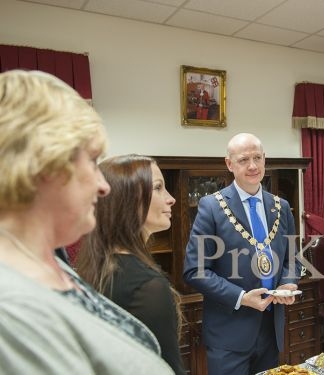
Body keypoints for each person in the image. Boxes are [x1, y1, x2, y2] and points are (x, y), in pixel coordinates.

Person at [0, 70, 172, 374]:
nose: (103, 187)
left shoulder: (54, 261)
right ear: (44, 163)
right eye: (92, 161)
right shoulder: (12, 304)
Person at [183, 133, 302, 375]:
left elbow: (292, 258)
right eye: (243, 160)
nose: (252, 166)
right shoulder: (212, 206)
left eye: (257, 158)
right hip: (228, 335)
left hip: (271, 330)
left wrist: (288, 283)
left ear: (265, 159)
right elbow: (195, 270)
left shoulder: (281, 207)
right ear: (229, 164)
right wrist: (241, 297)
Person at [76, 154, 185, 375]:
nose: (171, 198)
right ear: (129, 200)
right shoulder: (147, 287)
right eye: (158, 188)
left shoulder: (96, 266)